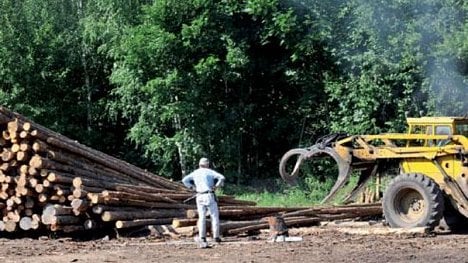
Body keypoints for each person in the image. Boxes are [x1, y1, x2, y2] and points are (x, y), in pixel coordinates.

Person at [182, 157, 225, 248]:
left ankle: (202, 237)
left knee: (201, 217)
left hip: (199, 195)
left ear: (199, 164)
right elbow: (221, 177)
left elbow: (184, 180)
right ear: (207, 164)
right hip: (209, 195)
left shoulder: (195, 172)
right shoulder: (209, 172)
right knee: (214, 216)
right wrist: (216, 186)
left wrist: (192, 187)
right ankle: (216, 236)